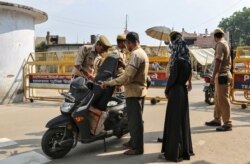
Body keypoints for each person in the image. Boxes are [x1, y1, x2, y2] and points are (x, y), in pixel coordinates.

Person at [100, 32, 149, 155]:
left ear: (130, 42)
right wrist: (125, 65)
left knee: (135, 122)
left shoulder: (136, 55)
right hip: (138, 91)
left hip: (134, 92)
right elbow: (133, 72)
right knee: (132, 120)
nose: (126, 46)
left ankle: (137, 148)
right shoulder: (142, 53)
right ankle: (133, 142)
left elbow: (127, 77)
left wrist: (109, 83)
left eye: (127, 43)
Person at [160, 31, 194, 162]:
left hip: (175, 92)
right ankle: (184, 151)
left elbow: (172, 78)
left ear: (174, 42)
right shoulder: (186, 59)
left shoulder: (177, 60)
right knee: (182, 122)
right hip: (183, 92)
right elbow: (187, 76)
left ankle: (174, 153)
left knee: (173, 123)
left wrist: (167, 90)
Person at [205, 28, 232, 131]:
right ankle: (217, 119)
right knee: (217, 99)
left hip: (222, 75)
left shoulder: (220, 44)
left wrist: (213, 75)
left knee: (223, 100)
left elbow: (218, 61)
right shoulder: (225, 43)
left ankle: (227, 123)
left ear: (215, 37)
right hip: (223, 75)